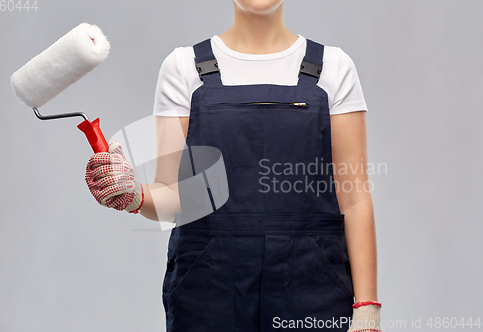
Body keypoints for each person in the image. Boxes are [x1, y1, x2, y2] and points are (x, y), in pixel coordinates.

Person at [84, 0, 384, 331]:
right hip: (209, 291)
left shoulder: (334, 69)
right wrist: (134, 193)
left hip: (311, 290)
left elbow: (354, 198)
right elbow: (172, 197)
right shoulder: (184, 68)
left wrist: (367, 307)